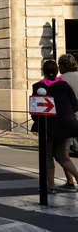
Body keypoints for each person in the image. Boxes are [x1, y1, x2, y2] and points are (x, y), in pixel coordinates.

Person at [31, 59, 78, 194]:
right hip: (66, 125)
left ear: (43, 71)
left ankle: (50, 187)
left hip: (49, 126)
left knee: (47, 155)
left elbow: (35, 108)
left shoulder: (39, 86)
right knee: (61, 155)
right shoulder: (65, 85)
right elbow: (75, 104)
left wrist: (38, 122)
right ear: (57, 71)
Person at [57, 54, 78, 192]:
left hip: (69, 119)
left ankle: (70, 182)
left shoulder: (60, 81)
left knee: (64, 152)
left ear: (62, 66)